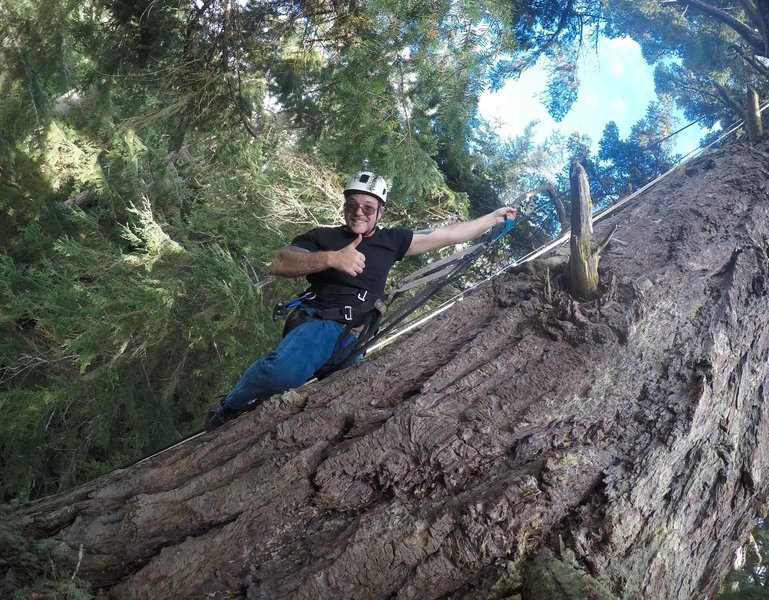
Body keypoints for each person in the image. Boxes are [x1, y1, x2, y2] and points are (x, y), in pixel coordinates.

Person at [204, 171, 516, 431]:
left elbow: (449, 235)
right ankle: (230, 405)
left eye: (369, 207)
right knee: (281, 373)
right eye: (353, 205)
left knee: (344, 406)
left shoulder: (391, 241)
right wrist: (333, 258)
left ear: (380, 212)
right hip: (321, 323)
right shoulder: (322, 238)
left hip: (357, 338)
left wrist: (492, 218)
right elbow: (281, 263)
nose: (359, 212)